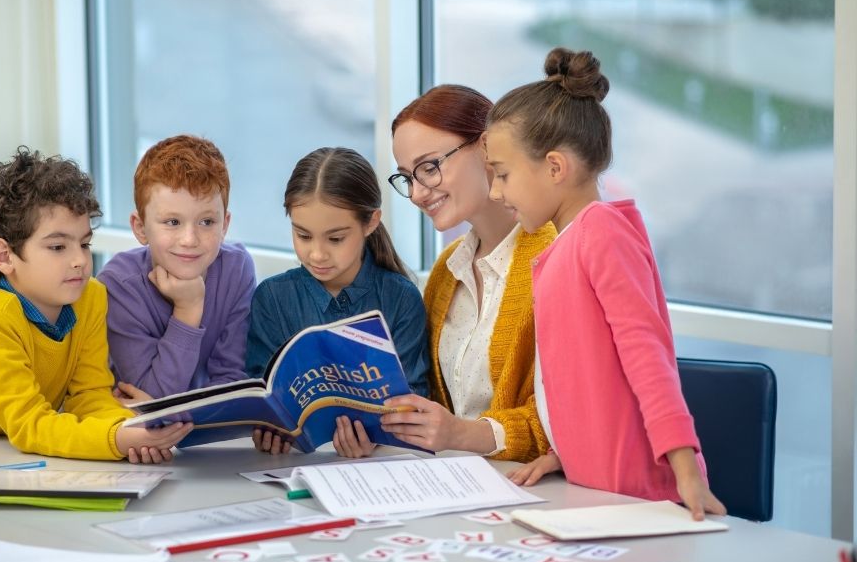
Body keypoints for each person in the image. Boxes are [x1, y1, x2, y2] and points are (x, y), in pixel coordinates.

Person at [486, 47, 726, 519]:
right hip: (599, 493)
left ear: (555, 168)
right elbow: (587, 380)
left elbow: (647, 357)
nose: (495, 192)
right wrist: (563, 453)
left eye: (503, 174)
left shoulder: (600, 233)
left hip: (644, 498)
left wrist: (686, 473)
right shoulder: (569, 242)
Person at [0, 147, 187, 462]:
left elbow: (90, 395)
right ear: (5, 256)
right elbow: (29, 424)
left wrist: (131, 429)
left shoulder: (91, 298)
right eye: (58, 247)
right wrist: (115, 440)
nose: (79, 260)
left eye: (84, 243)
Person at [333, 85, 556, 461]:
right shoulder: (446, 271)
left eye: (430, 167)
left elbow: (563, 421)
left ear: (486, 147)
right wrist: (383, 429)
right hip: (454, 478)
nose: (417, 193)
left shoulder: (552, 258)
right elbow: (436, 408)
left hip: (533, 485)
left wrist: (461, 433)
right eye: (407, 177)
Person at [246, 147, 429, 454]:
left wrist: (375, 438)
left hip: (382, 464)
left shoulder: (401, 299)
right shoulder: (272, 298)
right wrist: (265, 427)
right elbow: (258, 390)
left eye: (335, 239)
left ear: (371, 222)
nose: (317, 254)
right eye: (303, 236)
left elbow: (416, 400)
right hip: (289, 464)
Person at [99, 135, 255, 401]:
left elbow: (231, 382)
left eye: (206, 222)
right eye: (172, 222)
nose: (189, 240)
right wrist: (188, 309)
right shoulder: (118, 285)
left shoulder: (236, 270)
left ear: (225, 225)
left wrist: (181, 415)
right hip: (134, 428)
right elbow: (151, 396)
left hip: (194, 427)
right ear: (140, 228)